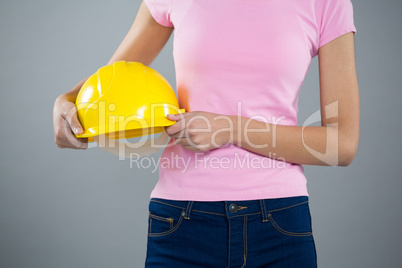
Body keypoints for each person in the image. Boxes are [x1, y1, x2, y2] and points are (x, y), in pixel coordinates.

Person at [53, 0, 359, 267]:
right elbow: (111, 85)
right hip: (181, 222)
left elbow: (341, 144)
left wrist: (230, 128)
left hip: (279, 224)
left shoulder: (327, 3)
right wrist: (65, 102)